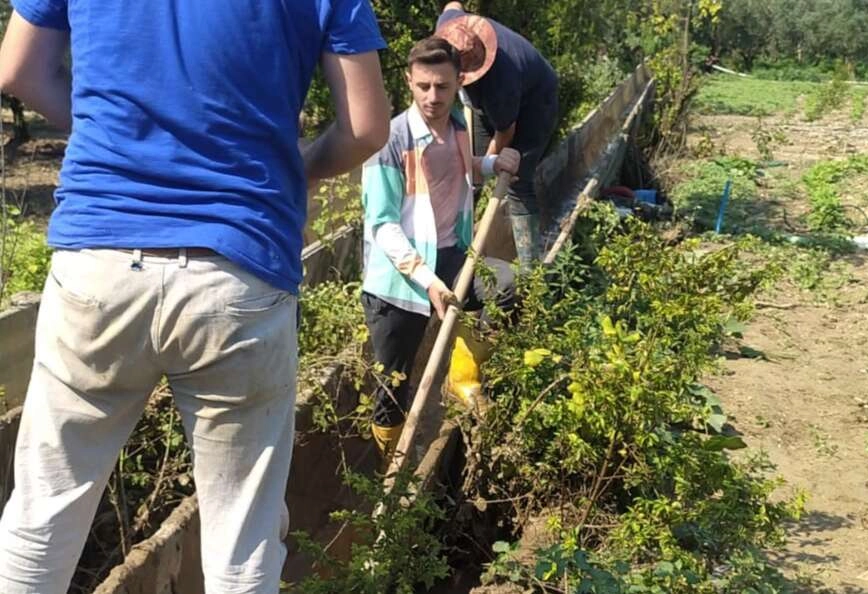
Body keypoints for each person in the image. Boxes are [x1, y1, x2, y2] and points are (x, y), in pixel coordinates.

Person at [0, 1, 389, 592]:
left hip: (99, 263)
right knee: (243, 534)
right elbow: (366, 126)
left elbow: (18, 71)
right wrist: (291, 173)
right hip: (237, 271)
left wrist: (116, 138)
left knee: (43, 511)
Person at [361, 36, 520, 459]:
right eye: (423, 86)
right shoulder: (390, 141)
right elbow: (382, 225)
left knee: (505, 286)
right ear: (409, 82)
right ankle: (388, 466)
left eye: (443, 87)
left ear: (459, 83)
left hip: (452, 256)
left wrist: (491, 164)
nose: (433, 97)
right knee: (393, 383)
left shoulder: (460, 125)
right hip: (398, 279)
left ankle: (462, 379)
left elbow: (462, 172)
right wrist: (428, 281)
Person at [435, 1, 559, 267]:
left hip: (535, 106)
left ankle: (530, 271)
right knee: (470, 171)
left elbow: (506, 132)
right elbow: (452, 4)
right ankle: (453, 248)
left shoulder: (502, 81)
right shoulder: (448, 29)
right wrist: (475, 170)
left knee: (516, 179)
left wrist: (486, 165)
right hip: (486, 102)